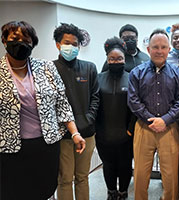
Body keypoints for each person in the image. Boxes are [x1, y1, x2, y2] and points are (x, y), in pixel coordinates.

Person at [0, 21, 85, 200]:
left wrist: (75, 133)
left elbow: (62, 104)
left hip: (45, 145)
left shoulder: (46, 68)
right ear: (4, 40)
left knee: (44, 189)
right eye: (15, 39)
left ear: (33, 43)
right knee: (12, 191)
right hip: (9, 148)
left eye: (26, 39)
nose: (21, 43)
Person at [128, 29, 179, 200]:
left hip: (169, 129)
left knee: (170, 177)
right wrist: (151, 120)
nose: (159, 51)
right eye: (155, 47)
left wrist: (165, 120)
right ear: (148, 49)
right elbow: (133, 101)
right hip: (143, 128)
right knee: (140, 174)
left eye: (163, 47)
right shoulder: (136, 73)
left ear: (169, 49)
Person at [53, 23, 99, 200]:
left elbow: (96, 97)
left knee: (82, 177)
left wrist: (88, 120)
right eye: (67, 43)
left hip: (87, 133)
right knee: (65, 179)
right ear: (58, 44)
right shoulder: (50, 69)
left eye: (75, 44)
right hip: (62, 135)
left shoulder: (89, 68)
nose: (71, 47)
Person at [96, 37, 136, 200]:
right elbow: (95, 105)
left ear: (124, 59)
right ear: (107, 59)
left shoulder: (133, 78)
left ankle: (123, 192)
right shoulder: (98, 78)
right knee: (108, 165)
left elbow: (136, 107)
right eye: (112, 59)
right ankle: (111, 191)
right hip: (103, 134)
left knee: (125, 166)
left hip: (126, 135)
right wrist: (97, 130)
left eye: (119, 58)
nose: (116, 61)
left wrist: (130, 130)